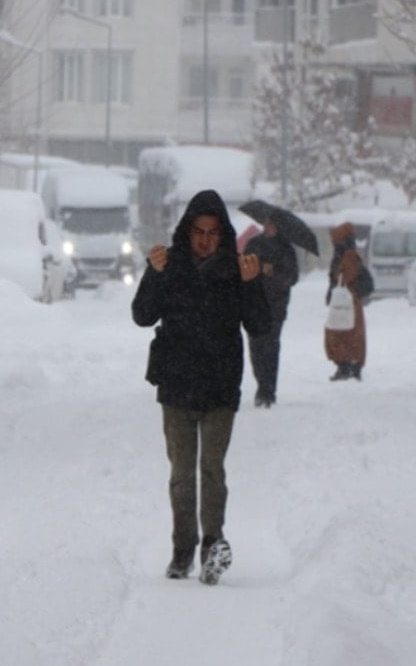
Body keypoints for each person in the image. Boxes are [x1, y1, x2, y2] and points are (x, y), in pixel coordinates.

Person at [131, 189, 271, 585]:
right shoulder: (170, 267)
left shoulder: (236, 272)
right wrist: (152, 273)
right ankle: (182, 550)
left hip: (220, 388)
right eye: (198, 231)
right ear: (187, 232)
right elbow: (142, 315)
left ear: (223, 235)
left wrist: (252, 284)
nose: (205, 239)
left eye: (212, 232)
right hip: (176, 386)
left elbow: (260, 326)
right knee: (181, 474)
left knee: (212, 470)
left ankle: (212, 545)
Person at [243, 216, 299, 407]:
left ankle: (268, 390)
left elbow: (292, 277)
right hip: (253, 303)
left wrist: (273, 272)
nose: (268, 227)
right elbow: (242, 269)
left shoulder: (286, 249)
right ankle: (261, 382)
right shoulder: (254, 244)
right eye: (266, 223)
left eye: (272, 224)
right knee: (256, 347)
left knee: (271, 346)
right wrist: (255, 270)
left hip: (276, 306)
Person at [325, 222, 365, 381]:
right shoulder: (348, 253)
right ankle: (351, 366)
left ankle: (346, 366)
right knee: (349, 334)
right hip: (348, 301)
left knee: (342, 333)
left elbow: (345, 276)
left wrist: (335, 284)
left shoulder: (346, 255)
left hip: (346, 302)